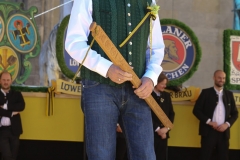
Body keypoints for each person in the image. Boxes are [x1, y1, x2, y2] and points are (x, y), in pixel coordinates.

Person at [65, 0, 165, 159]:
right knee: (101, 155)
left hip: (138, 89)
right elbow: (74, 43)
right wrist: (106, 68)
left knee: (146, 155)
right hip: (99, 88)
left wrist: (151, 77)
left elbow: (156, 48)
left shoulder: (149, 1)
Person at [193, 70, 238, 160]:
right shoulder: (206, 93)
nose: (221, 80)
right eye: (219, 77)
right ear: (214, 78)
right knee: (205, 156)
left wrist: (227, 124)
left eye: (223, 78)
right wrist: (209, 122)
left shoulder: (229, 94)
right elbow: (196, 110)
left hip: (223, 133)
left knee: (223, 157)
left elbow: (235, 113)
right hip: (208, 132)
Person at [0, 71, 25, 160]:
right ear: (0, 81)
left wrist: (5, 106)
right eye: (3, 80)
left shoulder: (17, 94)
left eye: (8, 80)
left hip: (15, 130)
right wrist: (11, 113)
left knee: (13, 156)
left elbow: (21, 106)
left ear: (11, 81)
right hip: (2, 131)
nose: (6, 82)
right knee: (7, 156)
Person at [151, 73, 175, 160]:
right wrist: (158, 129)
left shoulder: (167, 96)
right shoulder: (148, 95)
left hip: (164, 134)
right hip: (151, 133)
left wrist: (167, 128)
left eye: (165, 84)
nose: (164, 86)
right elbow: (147, 115)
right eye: (162, 84)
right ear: (156, 83)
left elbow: (171, 113)